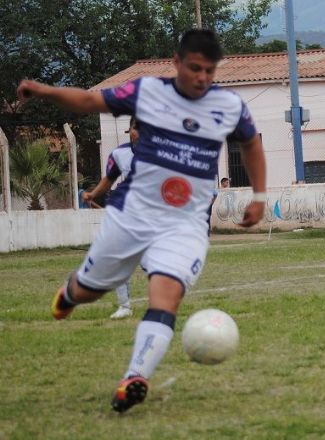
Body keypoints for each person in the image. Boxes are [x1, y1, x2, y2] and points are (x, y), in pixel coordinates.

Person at [17, 29, 267, 413]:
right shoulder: (147, 91)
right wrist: (45, 91)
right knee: (91, 291)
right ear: (177, 62)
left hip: (185, 224)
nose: (202, 77)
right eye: (195, 68)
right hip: (132, 216)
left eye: (210, 71)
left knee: (167, 295)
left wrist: (259, 196)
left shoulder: (229, 105)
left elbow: (250, 143)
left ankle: (135, 377)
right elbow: (89, 100)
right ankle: (70, 293)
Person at [82, 116, 140, 319]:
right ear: (129, 130)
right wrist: (93, 194)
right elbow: (108, 179)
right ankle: (125, 306)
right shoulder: (119, 154)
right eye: (136, 128)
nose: (140, 133)